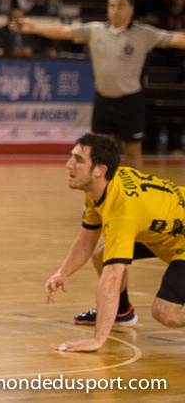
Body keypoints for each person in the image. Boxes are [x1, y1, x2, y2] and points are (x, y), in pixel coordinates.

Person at [45, 134, 185, 352]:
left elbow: (112, 277)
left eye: (78, 160)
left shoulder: (122, 211)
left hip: (177, 237)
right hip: (167, 230)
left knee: (165, 312)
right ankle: (122, 312)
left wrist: (98, 339)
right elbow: (87, 238)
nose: (68, 164)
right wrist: (63, 272)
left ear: (100, 170)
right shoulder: (100, 187)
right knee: (102, 254)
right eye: (72, 156)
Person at [15, 0, 185, 169]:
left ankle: (136, 185)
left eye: (120, 6)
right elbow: (64, 30)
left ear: (131, 10)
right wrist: (35, 27)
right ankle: (106, 185)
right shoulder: (95, 30)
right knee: (103, 149)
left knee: (132, 149)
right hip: (103, 100)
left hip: (130, 101)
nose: (115, 10)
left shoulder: (143, 33)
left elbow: (174, 38)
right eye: (112, 6)